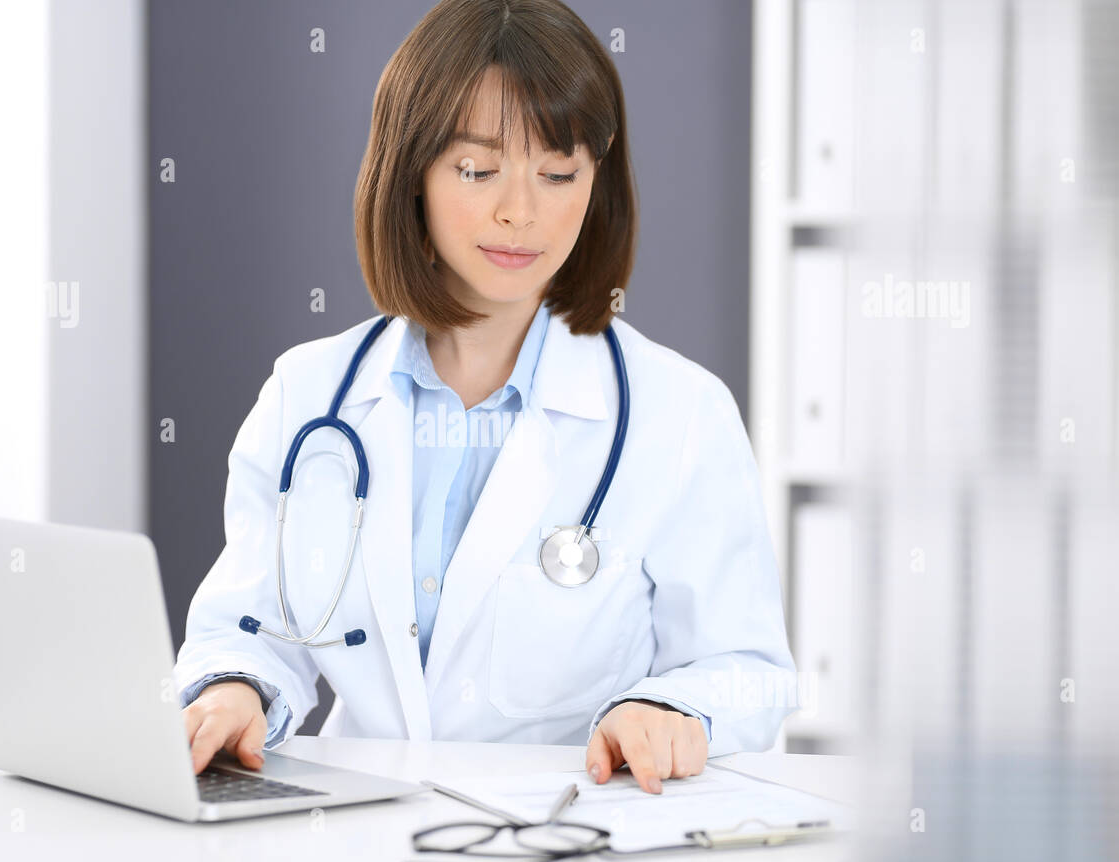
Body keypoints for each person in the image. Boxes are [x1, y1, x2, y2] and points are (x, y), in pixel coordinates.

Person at [174, 0, 796, 795]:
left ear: (596, 179)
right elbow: (253, 627)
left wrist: (668, 706)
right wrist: (236, 688)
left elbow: (749, 667)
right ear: (412, 174)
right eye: (477, 169)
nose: (520, 211)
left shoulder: (681, 415)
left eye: (558, 172)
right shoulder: (310, 394)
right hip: (356, 829)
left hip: (568, 828)